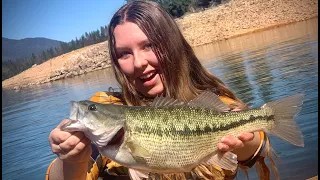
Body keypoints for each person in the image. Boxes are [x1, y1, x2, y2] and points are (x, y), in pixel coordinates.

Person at [47, 1, 276, 179]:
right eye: (124, 53)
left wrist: (246, 141)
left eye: (149, 45)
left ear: (173, 45)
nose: (138, 62)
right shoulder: (108, 107)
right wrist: (71, 160)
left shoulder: (213, 103)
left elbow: (256, 149)